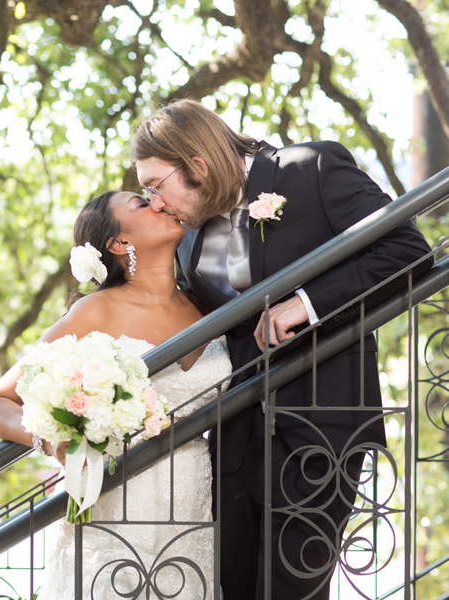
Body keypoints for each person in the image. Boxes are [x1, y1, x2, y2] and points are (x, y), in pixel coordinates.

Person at [130, 98, 433, 600]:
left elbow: (406, 249)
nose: (156, 204)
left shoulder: (310, 168)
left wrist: (307, 303)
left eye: (155, 187)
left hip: (321, 429)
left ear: (198, 166)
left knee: (293, 590)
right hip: (233, 443)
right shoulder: (186, 243)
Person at [0, 190, 232, 599]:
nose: (160, 202)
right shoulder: (96, 312)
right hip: (114, 506)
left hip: (191, 506)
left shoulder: (208, 305)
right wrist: (52, 440)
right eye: (142, 203)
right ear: (119, 243)